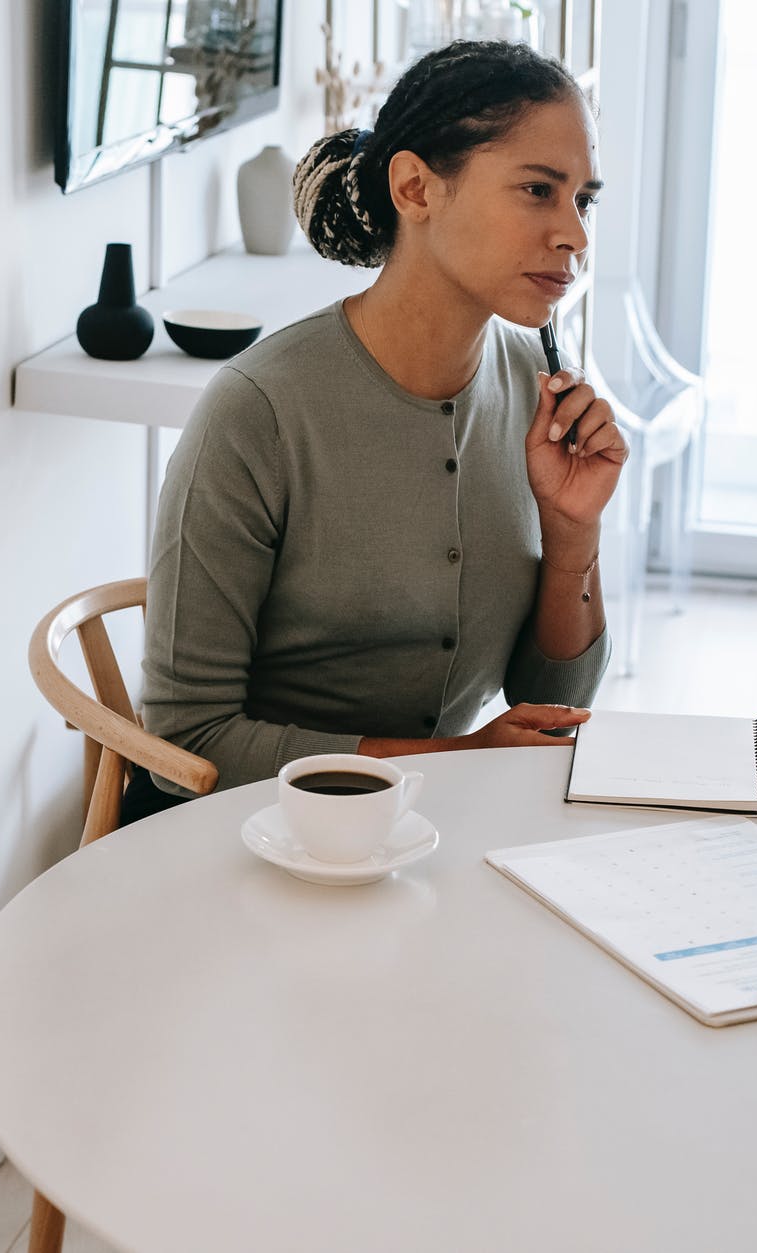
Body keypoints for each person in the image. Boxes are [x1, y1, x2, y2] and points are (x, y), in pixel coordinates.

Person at [126, 39, 629, 824]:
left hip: (423, 833)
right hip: (240, 838)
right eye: (538, 190)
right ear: (416, 187)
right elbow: (192, 736)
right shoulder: (257, 411)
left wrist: (573, 532)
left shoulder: (535, 391)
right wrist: (457, 761)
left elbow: (549, 706)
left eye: (583, 200)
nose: (575, 235)